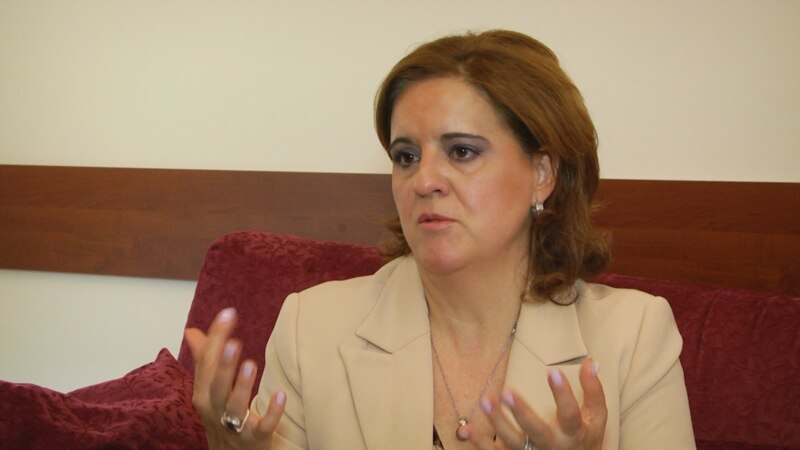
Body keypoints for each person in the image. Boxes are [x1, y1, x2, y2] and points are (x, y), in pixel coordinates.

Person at [185, 29, 696, 450]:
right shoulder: (311, 328)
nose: (424, 180)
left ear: (542, 174)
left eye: (462, 151)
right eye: (406, 156)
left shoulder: (634, 338)